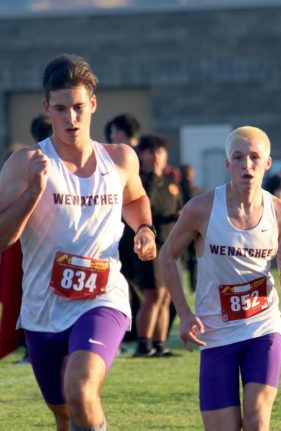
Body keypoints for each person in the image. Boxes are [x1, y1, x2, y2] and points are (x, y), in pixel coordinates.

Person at [0, 53, 157, 431]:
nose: (71, 119)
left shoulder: (120, 158)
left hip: (102, 297)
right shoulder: (25, 163)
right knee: (64, 413)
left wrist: (144, 229)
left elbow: (135, 198)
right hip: (43, 309)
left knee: (80, 390)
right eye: (61, 109)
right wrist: (32, 193)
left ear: (93, 104)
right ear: (47, 108)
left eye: (79, 107)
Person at [159, 126, 281, 431]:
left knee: (257, 420)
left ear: (267, 163)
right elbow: (167, 256)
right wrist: (184, 313)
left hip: (262, 327)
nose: (246, 165)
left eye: (254, 157)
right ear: (227, 164)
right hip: (215, 332)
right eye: (238, 157)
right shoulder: (201, 208)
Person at [0, 114, 53, 363]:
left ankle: (34, 347)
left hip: (29, 238)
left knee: (30, 292)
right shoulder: (61, 161)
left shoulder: (28, 162)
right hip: (52, 239)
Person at [133, 134, 183, 357]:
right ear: (142, 155)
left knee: (166, 295)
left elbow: (180, 208)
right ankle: (143, 343)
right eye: (151, 151)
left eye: (160, 151)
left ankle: (159, 343)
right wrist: (152, 177)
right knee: (153, 294)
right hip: (149, 244)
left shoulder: (171, 183)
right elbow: (146, 207)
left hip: (170, 245)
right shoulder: (141, 181)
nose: (156, 156)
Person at [106, 113, 143, 343]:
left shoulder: (124, 157)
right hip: (138, 229)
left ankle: (133, 330)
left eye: (113, 132)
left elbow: (135, 196)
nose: (110, 137)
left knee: (132, 282)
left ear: (121, 132)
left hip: (130, 230)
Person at [179, 164, 202, 293]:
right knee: (181, 258)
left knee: (193, 259)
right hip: (181, 228)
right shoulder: (177, 190)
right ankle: (182, 285)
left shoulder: (197, 191)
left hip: (195, 230)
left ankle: (193, 287)